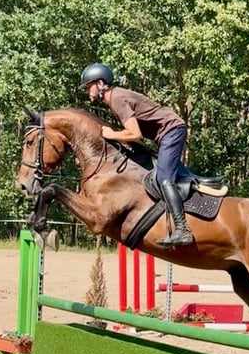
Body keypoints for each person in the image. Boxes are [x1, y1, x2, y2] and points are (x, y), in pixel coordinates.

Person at [80, 62, 194, 246]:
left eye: (89, 86)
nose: (88, 91)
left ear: (100, 84)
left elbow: (135, 134)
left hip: (172, 131)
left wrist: (112, 134)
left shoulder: (117, 99)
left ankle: (182, 230)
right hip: (166, 135)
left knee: (164, 179)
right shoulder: (116, 97)